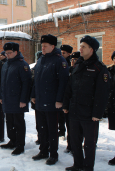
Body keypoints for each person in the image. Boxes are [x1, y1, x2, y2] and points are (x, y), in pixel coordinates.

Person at [63, 35, 110, 171]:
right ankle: (77, 165)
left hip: (90, 114)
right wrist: (66, 105)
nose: (80, 49)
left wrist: (97, 113)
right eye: (80, 46)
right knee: (75, 141)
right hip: (74, 111)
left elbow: (102, 93)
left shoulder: (100, 68)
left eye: (83, 46)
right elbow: (69, 87)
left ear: (92, 49)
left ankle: (88, 167)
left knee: (89, 143)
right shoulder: (78, 65)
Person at [31, 34, 69, 165]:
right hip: (40, 101)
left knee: (52, 130)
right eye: (42, 46)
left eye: (45, 46)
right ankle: (43, 150)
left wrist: (59, 100)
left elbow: (63, 83)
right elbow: (36, 79)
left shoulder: (60, 61)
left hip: (52, 102)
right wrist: (33, 95)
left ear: (53, 46)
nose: (43, 48)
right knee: (41, 128)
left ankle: (53, 154)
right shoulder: (41, 59)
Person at [0, 42, 32, 155]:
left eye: (9, 53)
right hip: (7, 99)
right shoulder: (6, 64)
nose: (7, 55)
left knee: (18, 123)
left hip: (18, 100)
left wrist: (23, 100)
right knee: (9, 122)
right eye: (6, 53)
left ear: (16, 52)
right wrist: (1, 96)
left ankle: (20, 145)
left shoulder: (22, 65)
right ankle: (12, 141)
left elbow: (26, 84)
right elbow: (2, 83)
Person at [64, 51, 80, 154]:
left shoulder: (80, 71)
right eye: (72, 60)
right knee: (69, 126)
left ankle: (76, 146)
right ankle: (70, 145)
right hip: (68, 102)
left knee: (78, 128)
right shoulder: (68, 71)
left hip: (78, 103)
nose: (73, 61)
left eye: (75, 60)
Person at [58, 45, 73, 137]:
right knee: (60, 113)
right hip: (61, 90)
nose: (62, 54)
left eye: (64, 53)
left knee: (65, 114)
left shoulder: (70, 62)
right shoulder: (59, 61)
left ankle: (67, 132)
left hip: (68, 91)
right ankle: (61, 129)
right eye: (61, 52)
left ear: (68, 54)